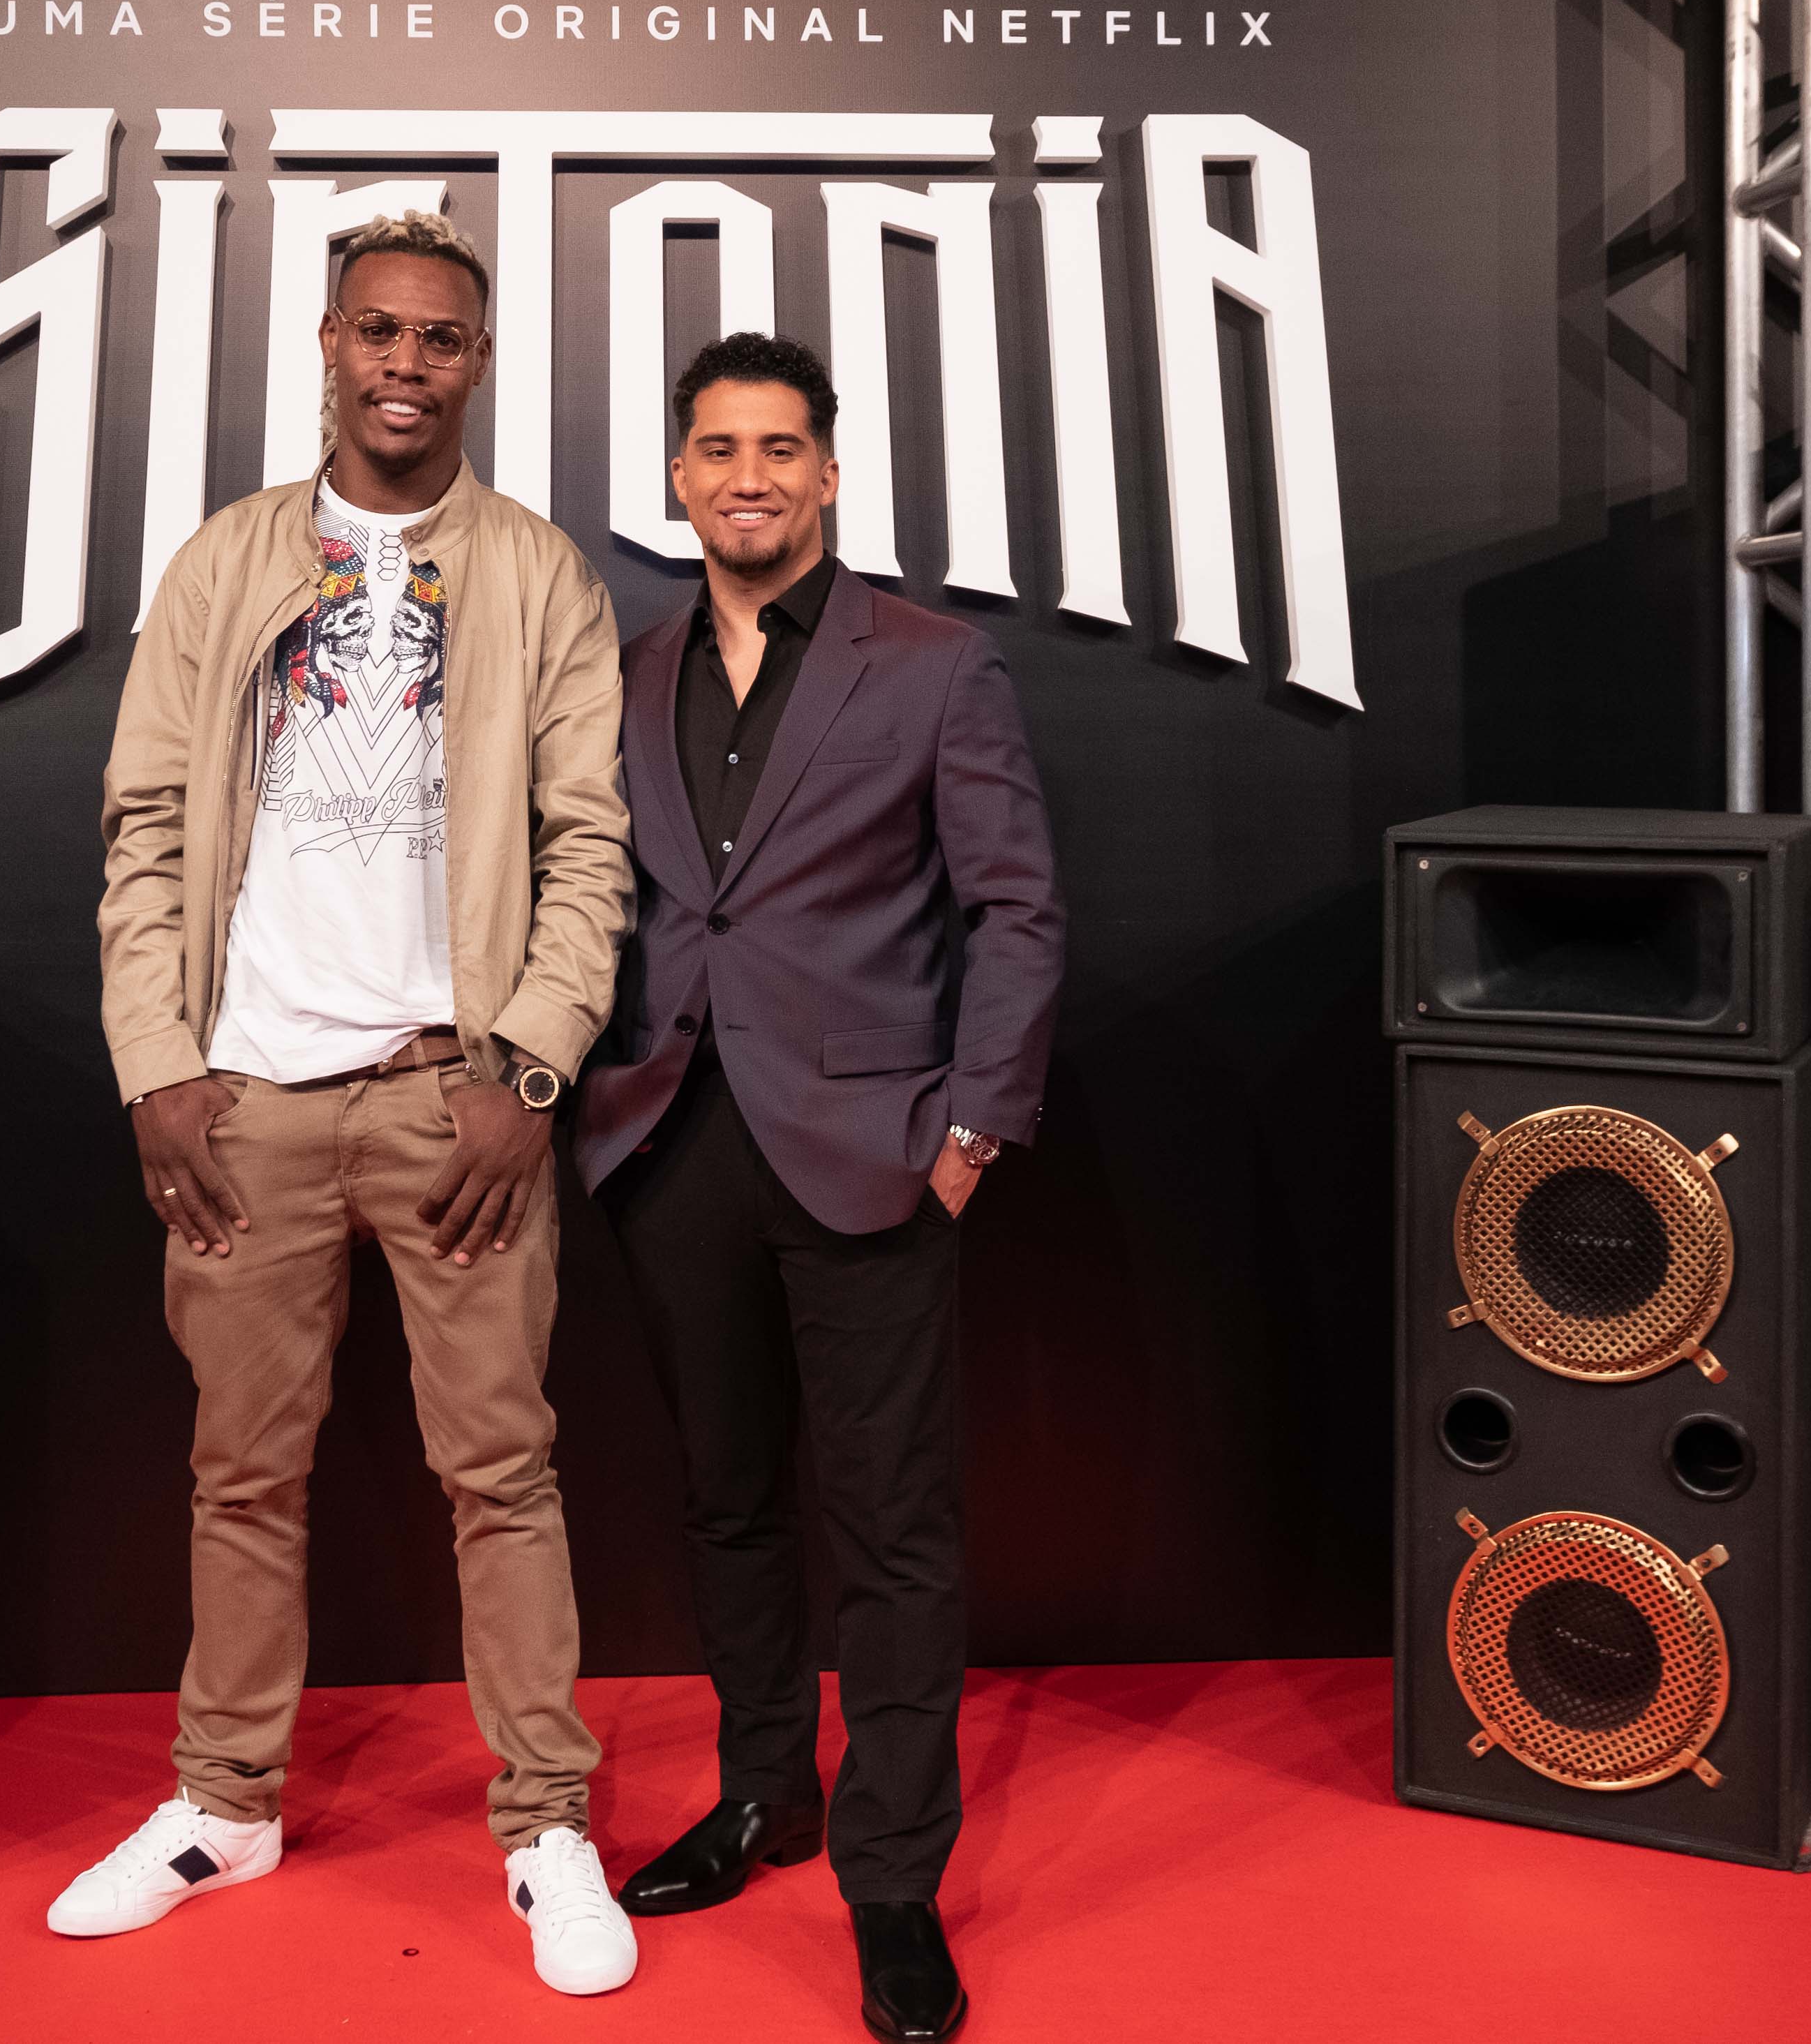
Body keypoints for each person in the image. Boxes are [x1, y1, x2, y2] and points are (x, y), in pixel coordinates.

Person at [62, 209, 642, 1999]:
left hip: (448, 1100)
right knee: (240, 1473)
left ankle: (543, 1820)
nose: (405, 363)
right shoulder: (225, 559)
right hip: (245, 1096)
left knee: (503, 1470)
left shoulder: (538, 574)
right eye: (376, 330)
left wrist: (526, 1067)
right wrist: (158, 1063)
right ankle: (223, 1800)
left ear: (478, 362)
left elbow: (589, 847)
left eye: (438, 338)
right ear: (328, 343)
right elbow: (143, 828)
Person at [577, 333, 1064, 2044]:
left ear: (830, 471)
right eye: (717, 449)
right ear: (677, 478)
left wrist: (972, 1131)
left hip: (873, 1151)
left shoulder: (932, 665)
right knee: (726, 1502)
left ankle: (892, 1882)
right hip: (664, 1143)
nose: (747, 477)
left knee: (892, 1530)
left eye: (778, 447)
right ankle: (762, 1792)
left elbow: (1015, 909)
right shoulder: (622, 673)